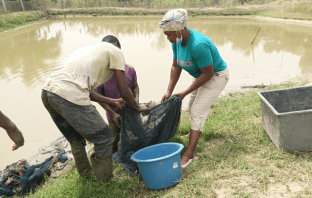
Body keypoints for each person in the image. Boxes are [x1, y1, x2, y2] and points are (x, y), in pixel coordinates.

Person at [41, 35, 148, 182]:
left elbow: (87, 91)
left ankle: (86, 174)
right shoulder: (115, 51)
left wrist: (112, 101)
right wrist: (137, 106)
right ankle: (106, 180)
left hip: (48, 92)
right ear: (116, 44)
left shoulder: (88, 51)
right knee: (103, 135)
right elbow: (124, 90)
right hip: (68, 94)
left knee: (75, 138)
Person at [159, 9, 229, 169]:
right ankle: (193, 133)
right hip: (202, 75)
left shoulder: (198, 45)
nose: (168, 38)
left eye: (169, 34)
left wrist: (185, 91)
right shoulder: (177, 42)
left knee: (197, 111)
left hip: (216, 77)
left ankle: (188, 154)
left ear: (178, 30)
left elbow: (208, 73)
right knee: (192, 107)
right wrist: (169, 91)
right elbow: (176, 66)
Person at [94, 61, 139, 154]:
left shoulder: (129, 69)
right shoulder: (101, 74)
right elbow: (98, 97)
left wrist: (136, 103)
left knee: (138, 133)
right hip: (113, 112)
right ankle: (115, 159)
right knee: (114, 140)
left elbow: (135, 87)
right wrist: (113, 113)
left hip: (130, 109)